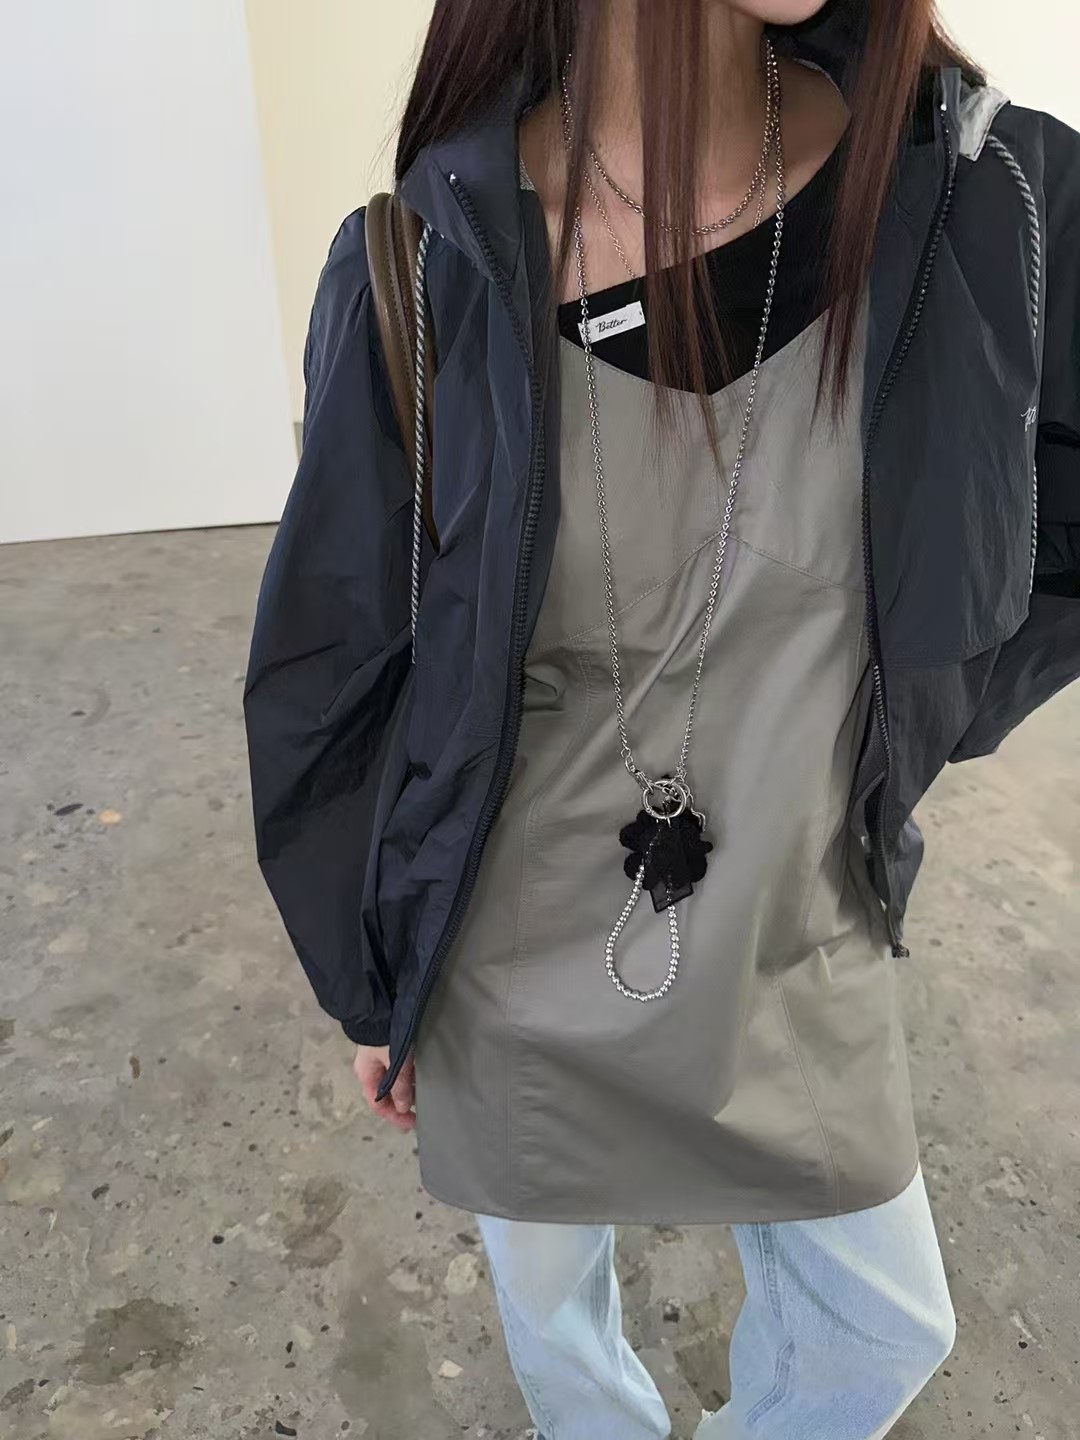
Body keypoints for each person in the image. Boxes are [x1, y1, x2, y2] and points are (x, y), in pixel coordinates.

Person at [244, 0, 1080, 1434]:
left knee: (882, 1329)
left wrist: (902, 723)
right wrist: (376, 967)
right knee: (558, 1334)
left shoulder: (982, 198)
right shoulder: (428, 258)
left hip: (793, 933)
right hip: (509, 951)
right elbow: (336, 664)